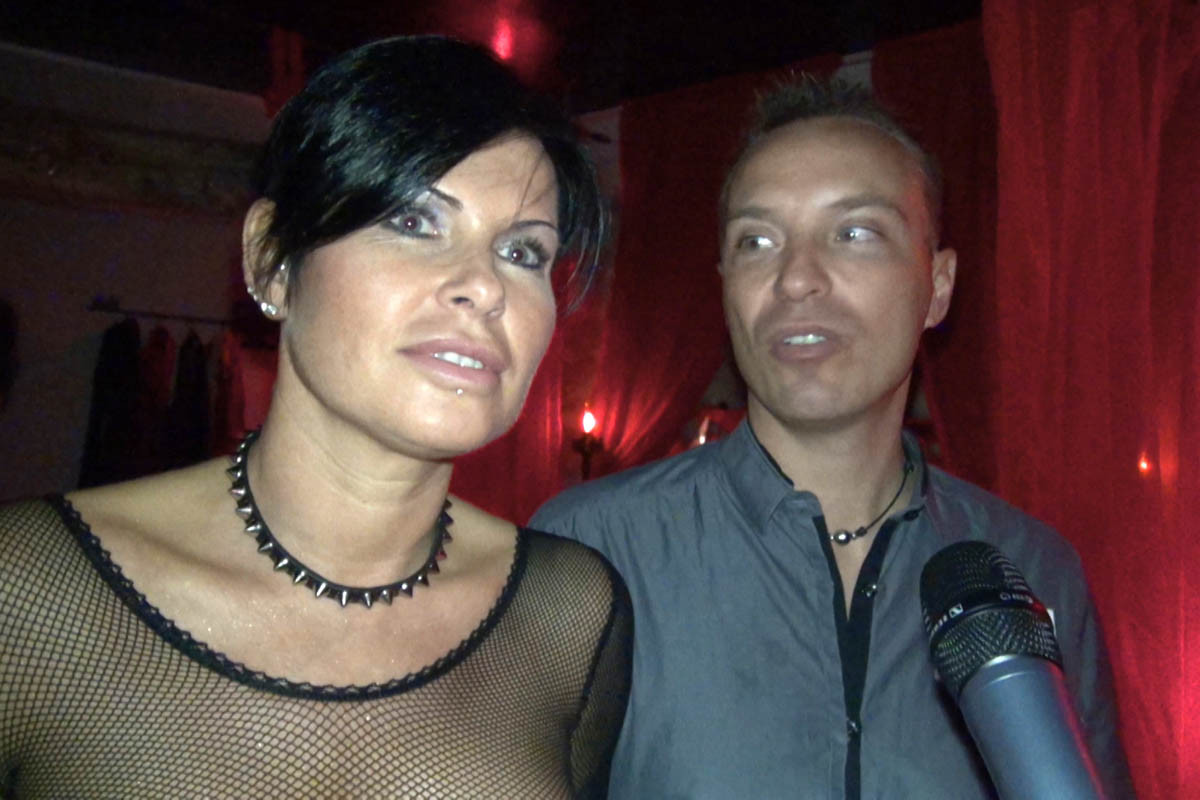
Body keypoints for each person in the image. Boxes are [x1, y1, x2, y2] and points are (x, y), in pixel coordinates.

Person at [0, 36, 631, 798]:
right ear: (272, 261)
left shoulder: (569, 614)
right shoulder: (30, 590)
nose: (485, 286)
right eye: (413, 221)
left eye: (524, 253)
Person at [532, 76, 1133, 799]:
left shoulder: (1033, 571)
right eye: (757, 241)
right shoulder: (589, 555)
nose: (796, 279)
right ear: (725, 286)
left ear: (938, 285)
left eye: (854, 233)